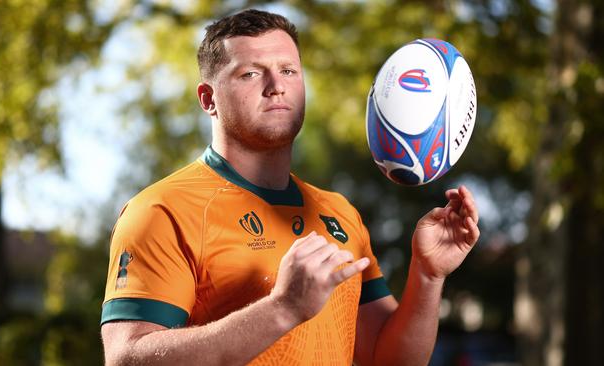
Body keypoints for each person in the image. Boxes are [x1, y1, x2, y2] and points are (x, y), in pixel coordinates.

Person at [100, 9, 480, 366]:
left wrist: (428, 275)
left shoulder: (338, 213)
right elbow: (127, 357)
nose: (275, 86)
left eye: (288, 70)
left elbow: (388, 358)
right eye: (250, 73)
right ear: (208, 99)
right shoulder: (161, 209)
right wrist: (282, 308)